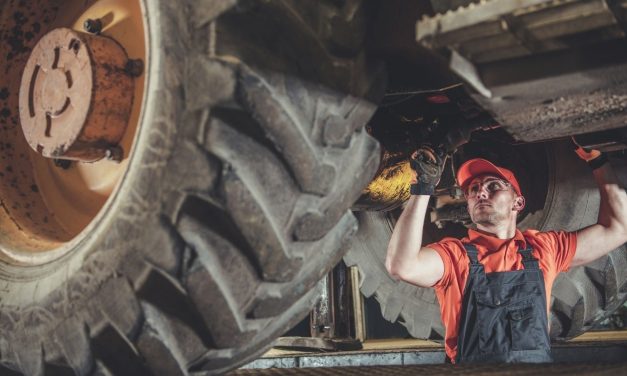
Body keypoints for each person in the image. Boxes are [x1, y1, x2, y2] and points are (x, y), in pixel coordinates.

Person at [385, 144, 627, 364]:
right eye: (473, 189)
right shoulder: (454, 256)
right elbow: (402, 266)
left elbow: (618, 228)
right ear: (468, 206)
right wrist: (422, 188)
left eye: (493, 186)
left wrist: (597, 160)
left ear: (518, 203)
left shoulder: (543, 249)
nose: (480, 192)